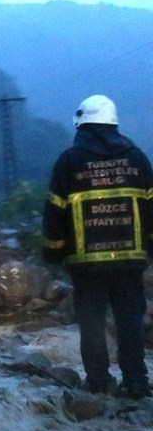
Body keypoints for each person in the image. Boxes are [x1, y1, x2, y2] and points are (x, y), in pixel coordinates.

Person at [41, 95, 153, 399]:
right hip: (130, 261)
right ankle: (136, 382)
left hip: (86, 264)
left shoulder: (70, 162)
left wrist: (53, 252)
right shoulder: (137, 159)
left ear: (82, 124)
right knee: (129, 319)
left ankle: (99, 381)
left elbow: (54, 213)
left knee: (91, 321)